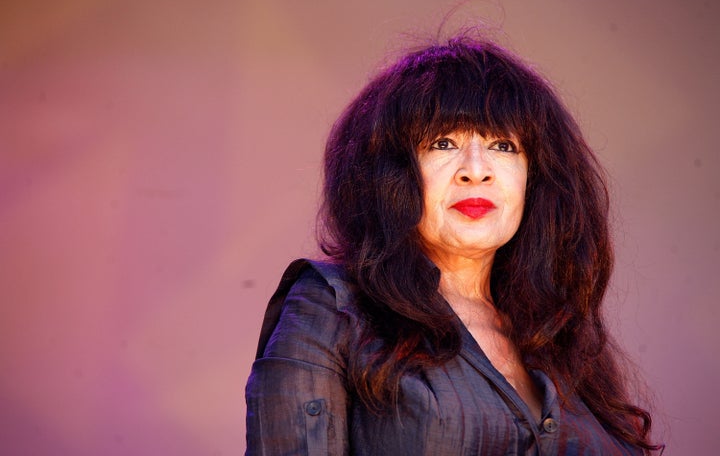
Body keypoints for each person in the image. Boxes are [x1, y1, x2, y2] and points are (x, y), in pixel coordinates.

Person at [245, 33, 662, 455]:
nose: (476, 170)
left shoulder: (560, 333)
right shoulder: (333, 305)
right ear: (390, 176)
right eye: (443, 143)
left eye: (503, 145)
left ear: (535, 179)